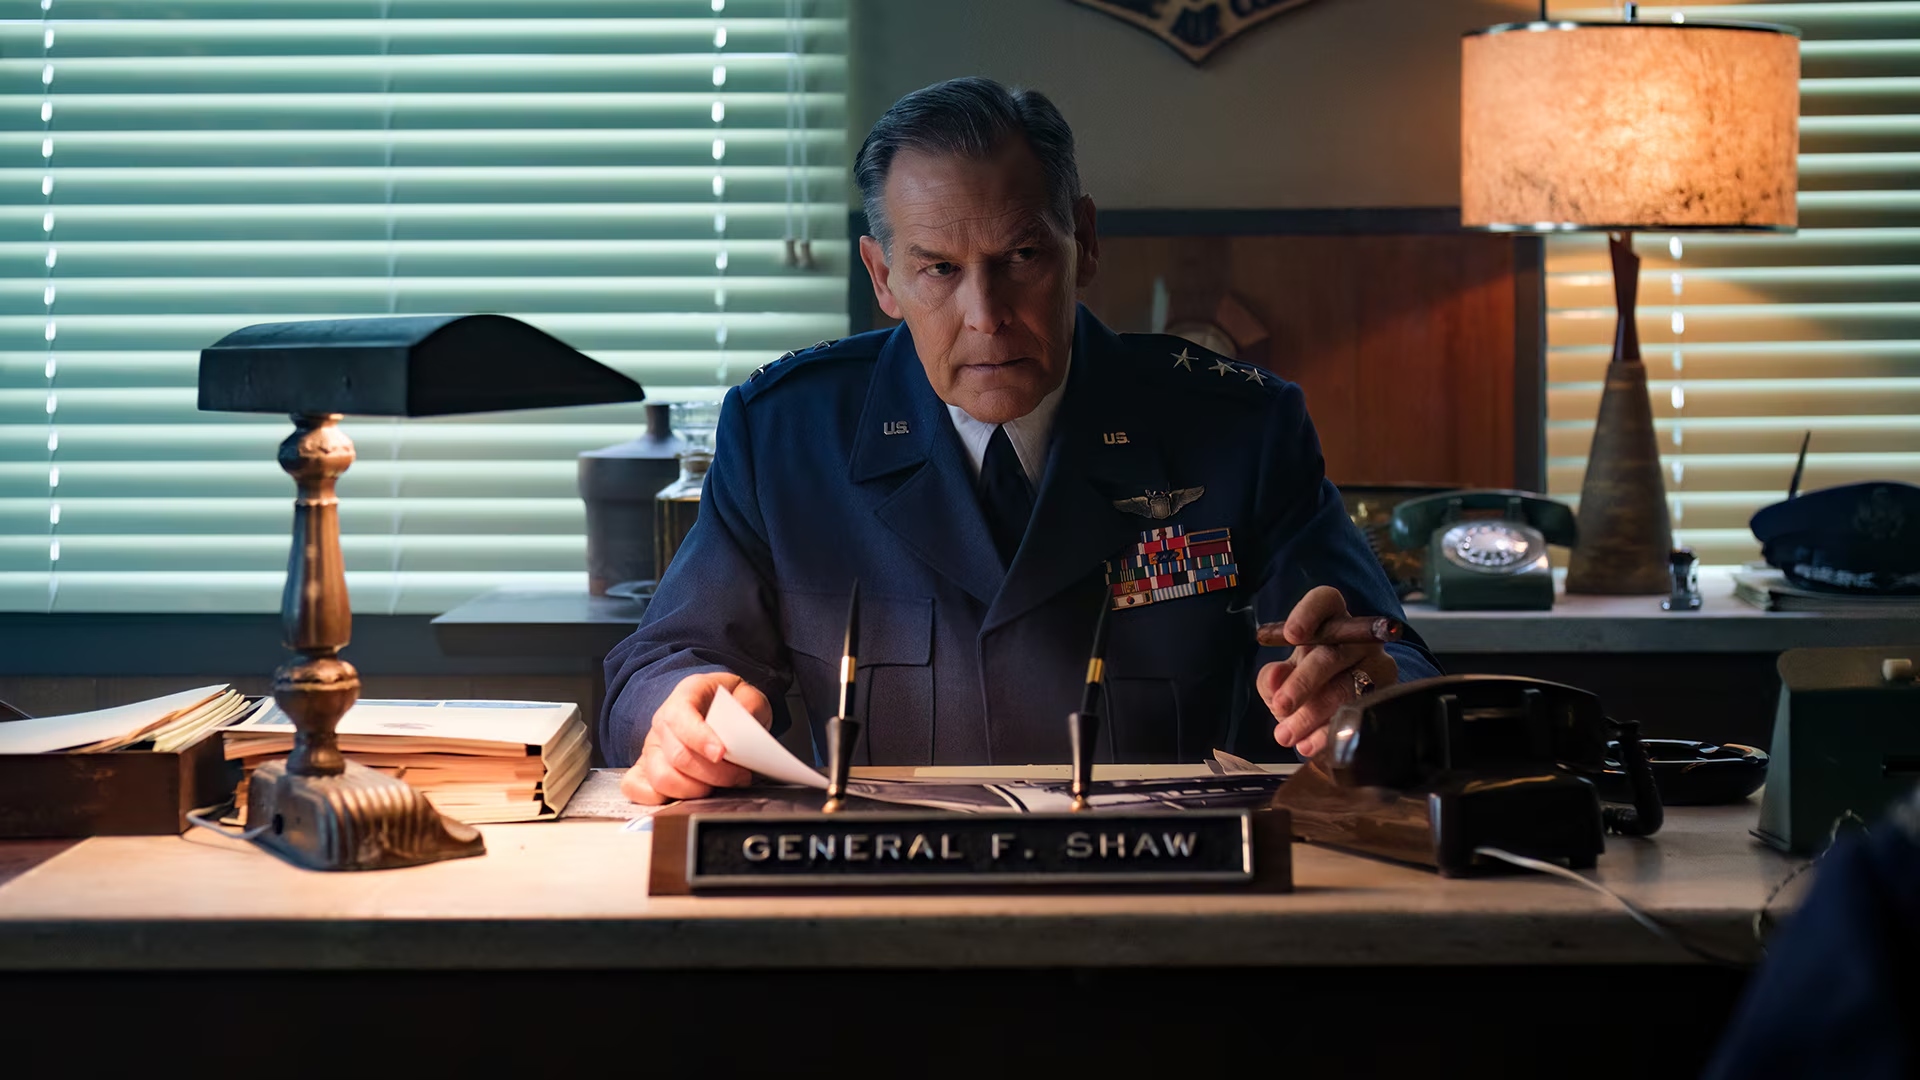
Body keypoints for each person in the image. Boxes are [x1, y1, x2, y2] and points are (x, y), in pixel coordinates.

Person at [603, 77, 1440, 804]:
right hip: (884, 893)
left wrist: (1364, 698)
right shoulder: (787, 435)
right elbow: (664, 663)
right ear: (883, 277)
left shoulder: (1241, 429)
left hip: (1171, 891)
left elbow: (1390, 667)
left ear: (1086, 243)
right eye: (939, 269)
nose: (987, 315)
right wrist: (675, 714)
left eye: (1022, 256)